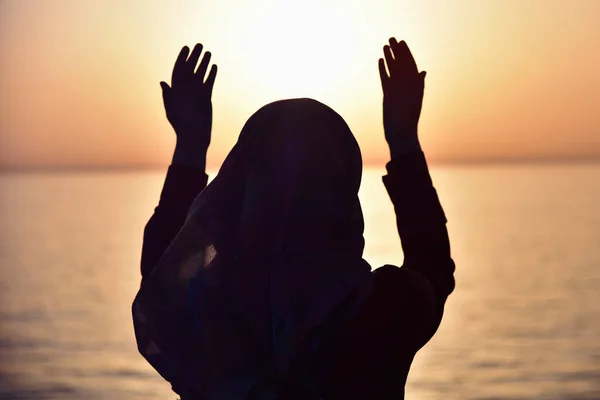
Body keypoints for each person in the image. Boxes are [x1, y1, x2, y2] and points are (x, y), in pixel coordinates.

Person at [132, 38, 455, 400]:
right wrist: (403, 139)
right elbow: (433, 267)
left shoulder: (207, 315)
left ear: (241, 189)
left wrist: (191, 146)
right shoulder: (384, 310)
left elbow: (162, 271)